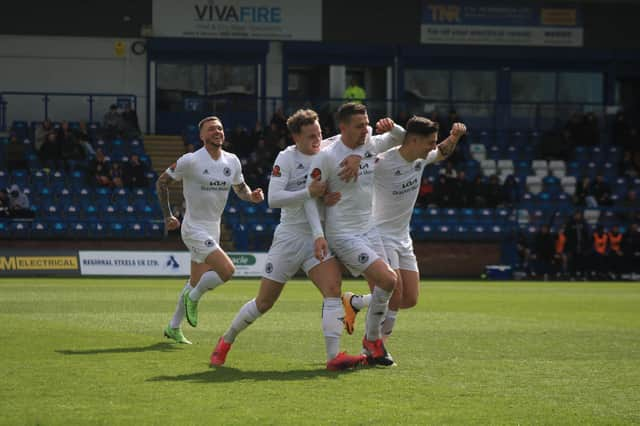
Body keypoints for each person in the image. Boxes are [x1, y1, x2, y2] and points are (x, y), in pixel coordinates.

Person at [210, 109, 369, 371]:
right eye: (310, 136)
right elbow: (274, 198)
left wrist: (325, 198)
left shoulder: (327, 153)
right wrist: (309, 192)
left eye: (319, 133)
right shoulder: (286, 158)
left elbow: (365, 142)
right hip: (289, 239)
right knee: (264, 303)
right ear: (296, 137)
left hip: (316, 239)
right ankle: (225, 341)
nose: (317, 140)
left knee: (332, 290)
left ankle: (334, 357)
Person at [341, 117, 465, 343]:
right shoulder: (384, 161)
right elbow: (360, 164)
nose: (433, 147)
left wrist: (455, 137)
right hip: (379, 234)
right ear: (414, 140)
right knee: (394, 297)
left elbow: (443, 152)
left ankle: (355, 302)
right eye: (430, 142)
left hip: (402, 237)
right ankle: (376, 347)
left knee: (410, 299)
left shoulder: (422, 157)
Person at [304, 102, 405, 366]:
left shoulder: (368, 143)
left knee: (390, 284)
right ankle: (372, 340)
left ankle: (369, 334)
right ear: (343, 127)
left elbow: (405, 139)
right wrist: (319, 229)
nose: (365, 130)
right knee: (388, 279)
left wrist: (389, 129)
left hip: (369, 227)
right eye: (359, 126)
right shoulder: (326, 154)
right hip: (343, 232)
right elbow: (309, 195)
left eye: (367, 124)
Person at [157, 116, 264, 345]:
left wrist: (251, 197)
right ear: (202, 136)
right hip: (193, 228)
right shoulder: (191, 160)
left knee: (195, 281)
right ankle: (193, 299)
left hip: (213, 228)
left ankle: (173, 327)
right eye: (212, 129)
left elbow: (240, 188)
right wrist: (168, 215)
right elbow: (162, 182)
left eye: (220, 128)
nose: (218, 131)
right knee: (227, 271)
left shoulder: (232, 161)